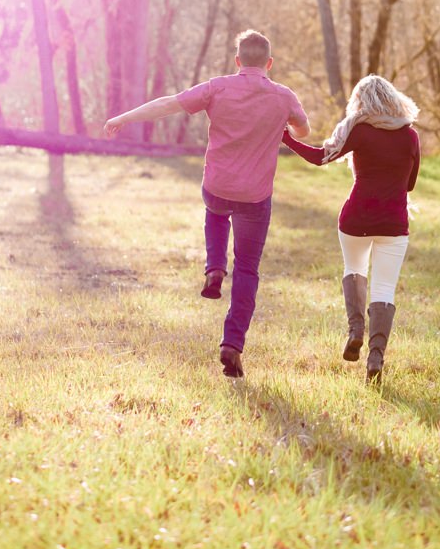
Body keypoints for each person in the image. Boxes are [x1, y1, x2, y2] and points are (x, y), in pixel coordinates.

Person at [104, 30, 309, 379]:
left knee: (215, 209)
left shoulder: (217, 87)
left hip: (218, 187)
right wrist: (280, 127)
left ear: (238, 61)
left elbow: (168, 104)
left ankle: (214, 268)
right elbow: (303, 132)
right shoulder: (283, 96)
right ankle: (232, 344)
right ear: (269, 63)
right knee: (247, 269)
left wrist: (124, 118)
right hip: (255, 197)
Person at [280, 74, 420, 382]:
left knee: (355, 269)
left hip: (356, 218)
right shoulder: (409, 135)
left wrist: (288, 139)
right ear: (393, 99)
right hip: (394, 223)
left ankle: (356, 329)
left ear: (361, 102)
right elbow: (409, 184)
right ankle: (376, 357)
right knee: (384, 289)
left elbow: (321, 157)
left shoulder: (358, 130)